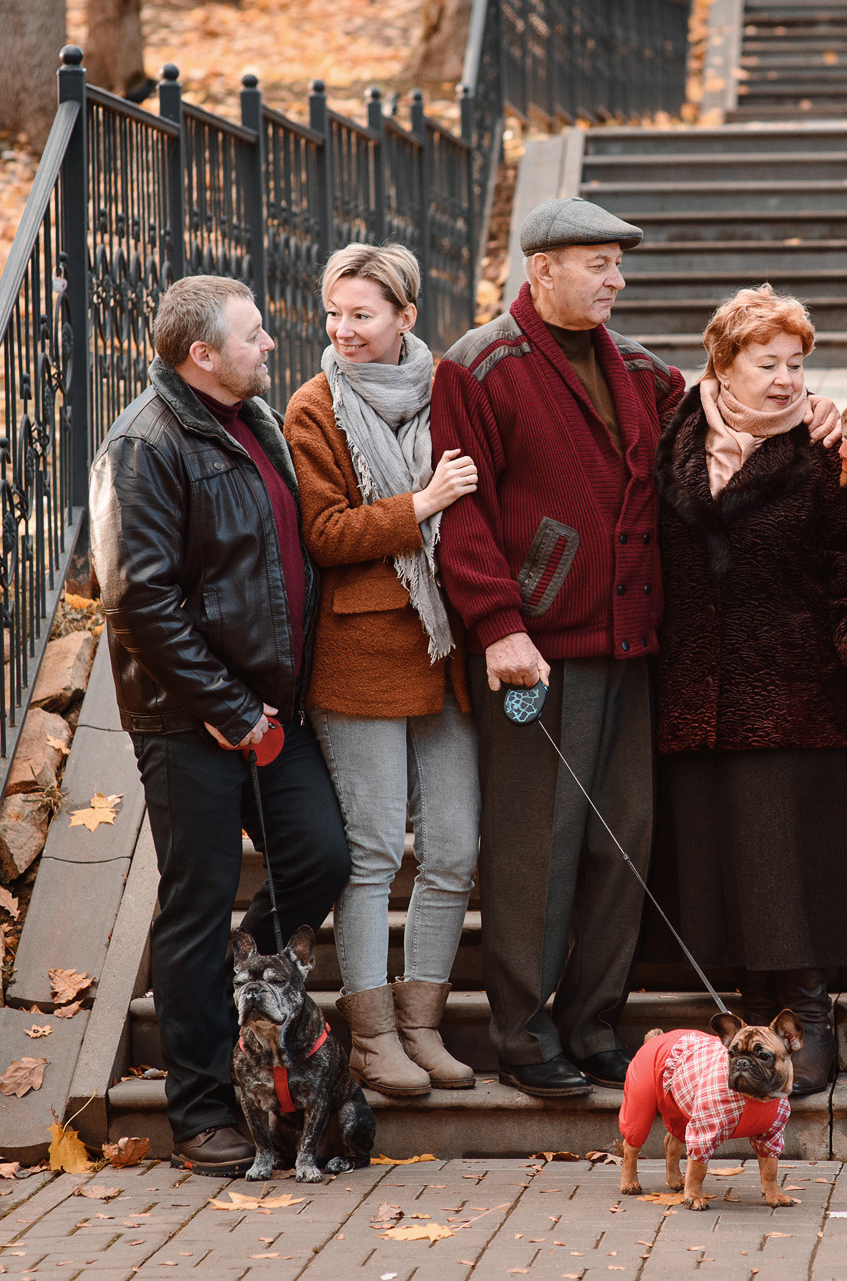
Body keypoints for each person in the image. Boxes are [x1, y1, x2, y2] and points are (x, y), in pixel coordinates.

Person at [90, 275, 350, 1174]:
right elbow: (137, 599)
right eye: (252, 334)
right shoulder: (144, 443)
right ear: (202, 355)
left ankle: (253, 981)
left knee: (320, 851)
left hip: (274, 710)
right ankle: (201, 1113)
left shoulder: (253, 421)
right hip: (187, 720)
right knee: (195, 907)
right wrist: (231, 711)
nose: (271, 343)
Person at [431, 198, 686, 1098]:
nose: (616, 280)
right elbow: (461, 513)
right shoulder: (479, 365)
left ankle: (592, 1022)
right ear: (542, 270)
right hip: (534, 650)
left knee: (624, 842)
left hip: (629, 640)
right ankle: (522, 1030)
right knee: (536, 844)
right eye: (597, 264)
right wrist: (500, 624)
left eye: (620, 265)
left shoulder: (646, 371)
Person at [648, 285, 847, 1099]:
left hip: (792, 687)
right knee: (718, 866)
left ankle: (811, 1018)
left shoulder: (826, 454)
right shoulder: (670, 437)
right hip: (690, 688)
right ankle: (752, 1026)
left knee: (790, 863)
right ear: (723, 363)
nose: (786, 379)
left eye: (796, 364)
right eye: (767, 362)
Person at [283, 243, 483, 1097]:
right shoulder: (313, 407)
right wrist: (422, 505)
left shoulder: (447, 392)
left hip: (447, 651)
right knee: (370, 855)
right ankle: (369, 1037)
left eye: (361, 314)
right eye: (334, 314)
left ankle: (421, 1025)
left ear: (406, 318)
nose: (343, 330)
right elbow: (326, 534)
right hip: (360, 653)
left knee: (451, 848)